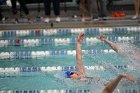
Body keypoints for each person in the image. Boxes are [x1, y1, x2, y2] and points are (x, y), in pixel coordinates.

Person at [65, 33, 134, 93]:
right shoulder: (80, 80)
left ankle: (122, 77)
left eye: (72, 73)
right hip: (106, 85)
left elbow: (79, 59)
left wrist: (78, 43)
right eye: (70, 74)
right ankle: (121, 76)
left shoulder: (81, 75)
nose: (73, 73)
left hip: (106, 83)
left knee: (133, 82)